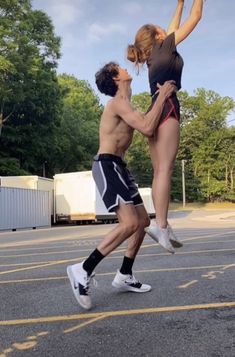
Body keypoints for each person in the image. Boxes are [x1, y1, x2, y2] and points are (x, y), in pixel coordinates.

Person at [67, 62, 176, 310]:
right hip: (106, 165)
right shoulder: (116, 103)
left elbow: (147, 128)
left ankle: (124, 274)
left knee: (142, 222)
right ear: (116, 78)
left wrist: (159, 98)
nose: (126, 70)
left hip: (120, 167)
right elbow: (148, 127)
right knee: (129, 223)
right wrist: (163, 95)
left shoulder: (127, 105)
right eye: (121, 68)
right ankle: (82, 269)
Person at [127, 0, 204, 253]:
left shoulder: (153, 56)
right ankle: (160, 225)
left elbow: (175, 24)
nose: (168, 28)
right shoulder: (165, 47)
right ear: (159, 36)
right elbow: (196, 17)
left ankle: (163, 224)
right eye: (163, 29)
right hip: (168, 105)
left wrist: (180, 2)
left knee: (159, 169)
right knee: (164, 170)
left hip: (154, 109)